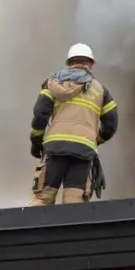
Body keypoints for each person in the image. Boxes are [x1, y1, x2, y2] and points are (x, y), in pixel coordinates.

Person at [28, 43, 118, 206]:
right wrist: (94, 139)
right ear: (90, 63)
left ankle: (31, 232)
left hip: (54, 149)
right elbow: (111, 125)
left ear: (69, 62)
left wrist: (36, 143)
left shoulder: (51, 84)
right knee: (74, 205)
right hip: (83, 151)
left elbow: (40, 114)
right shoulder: (101, 91)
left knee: (42, 199)